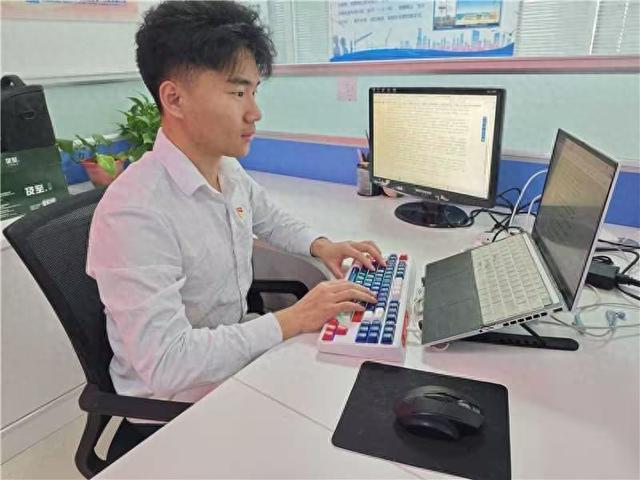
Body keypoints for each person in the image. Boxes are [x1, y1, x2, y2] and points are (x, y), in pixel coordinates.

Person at [86, 0, 384, 434]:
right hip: (178, 407)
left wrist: (322, 246)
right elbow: (166, 364)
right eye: (237, 93)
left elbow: (268, 217)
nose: (254, 111)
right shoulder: (135, 212)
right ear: (174, 99)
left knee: (357, 394)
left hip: (236, 361)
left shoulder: (225, 168)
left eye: (254, 92)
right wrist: (291, 319)